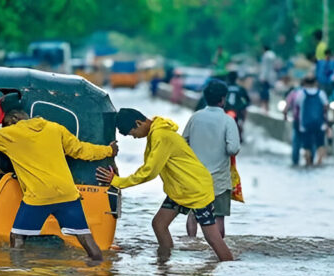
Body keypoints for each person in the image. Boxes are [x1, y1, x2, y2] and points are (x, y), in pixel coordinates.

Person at [0, 93, 118, 261]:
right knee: (86, 239)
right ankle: (99, 272)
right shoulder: (54, 128)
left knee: (17, 237)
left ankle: (18, 275)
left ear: (14, 118)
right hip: (69, 194)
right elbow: (81, 150)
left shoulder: (12, 134)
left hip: (39, 197)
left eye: (4, 122)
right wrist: (109, 150)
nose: (3, 127)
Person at [94, 108, 233, 262]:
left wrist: (117, 181)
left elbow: (149, 172)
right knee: (159, 224)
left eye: (132, 133)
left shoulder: (161, 135)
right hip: (180, 190)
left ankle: (229, 267)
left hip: (195, 189)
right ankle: (164, 265)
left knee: (212, 238)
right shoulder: (156, 132)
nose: (134, 137)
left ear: (138, 123)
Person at [182, 80, 240, 240]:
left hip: (195, 176)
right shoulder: (228, 120)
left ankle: (191, 244)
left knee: (194, 213)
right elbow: (233, 149)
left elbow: (182, 143)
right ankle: (218, 251)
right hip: (219, 179)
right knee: (218, 217)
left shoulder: (195, 118)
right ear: (223, 99)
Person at [294, 76, 328, 166]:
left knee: (306, 145)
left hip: (305, 124)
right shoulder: (321, 93)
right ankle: (319, 162)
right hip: (319, 123)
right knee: (320, 144)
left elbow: (296, 106)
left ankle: (308, 162)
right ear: (315, 83)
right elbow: (326, 106)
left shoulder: (301, 93)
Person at [285, 78, 307, 166]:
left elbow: (286, 107)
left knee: (296, 140)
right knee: (309, 142)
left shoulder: (294, 93)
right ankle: (310, 161)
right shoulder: (317, 93)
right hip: (310, 122)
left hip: (297, 121)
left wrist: (285, 116)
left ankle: (295, 160)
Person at [223, 71, 250, 140]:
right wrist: (244, 106)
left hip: (226, 108)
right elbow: (247, 100)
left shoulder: (224, 87)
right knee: (240, 121)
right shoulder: (240, 88)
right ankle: (240, 135)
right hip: (237, 110)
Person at [259, 45, 277, 110]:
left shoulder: (266, 56)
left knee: (264, 91)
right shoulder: (273, 55)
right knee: (270, 91)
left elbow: (265, 68)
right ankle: (268, 107)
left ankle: (265, 106)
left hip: (266, 77)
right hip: (272, 76)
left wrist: (263, 77)